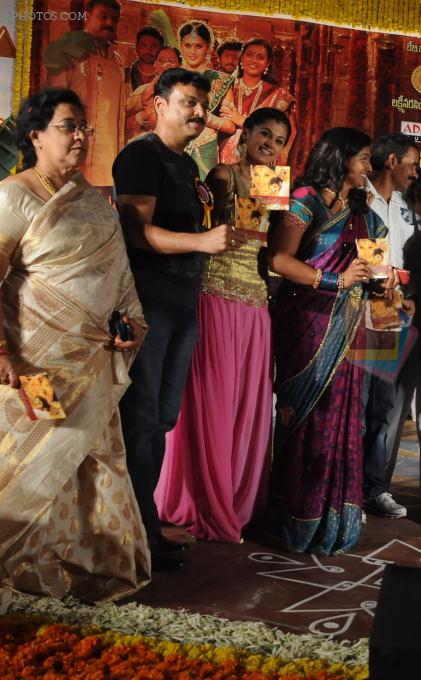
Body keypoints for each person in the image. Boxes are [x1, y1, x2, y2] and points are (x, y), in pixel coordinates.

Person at [0, 87, 149, 601]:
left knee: (93, 464)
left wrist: (125, 324)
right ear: (36, 136)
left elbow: (116, 279)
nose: (80, 136)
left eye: (83, 127)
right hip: (32, 368)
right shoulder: (9, 198)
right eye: (69, 126)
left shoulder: (92, 201)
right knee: (33, 467)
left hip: (90, 363)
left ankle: (90, 570)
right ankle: (22, 576)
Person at [114, 68, 246, 571]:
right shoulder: (141, 156)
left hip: (183, 303)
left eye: (202, 106)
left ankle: (142, 525)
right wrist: (200, 242)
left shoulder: (188, 164)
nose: (198, 113)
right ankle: (132, 533)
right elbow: (134, 232)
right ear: (159, 104)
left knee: (162, 420)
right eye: (188, 102)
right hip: (147, 303)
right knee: (142, 420)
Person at [155, 107, 291, 542]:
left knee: (243, 406)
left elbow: (270, 249)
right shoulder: (223, 174)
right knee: (213, 400)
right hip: (215, 295)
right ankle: (200, 497)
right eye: (264, 134)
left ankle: (236, 497)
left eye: (279, 139)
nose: (270, 144)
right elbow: (212, 230)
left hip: (255, 304)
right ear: (246, 134)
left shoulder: (277, 183)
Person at [267, 127, 393, 554]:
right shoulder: (304, 200)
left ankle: (330, 519)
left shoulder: (367, 215)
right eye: (363, 158)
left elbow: (372, 272)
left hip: (349, 325)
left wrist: (383, 288)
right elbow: (279, 260)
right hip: (306, 322)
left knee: (343, 418)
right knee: (302, 414)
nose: (369, 167)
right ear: (339, 159)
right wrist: (335, 279)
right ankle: (290, 513)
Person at [360, 132, 419, 519]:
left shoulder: (404, 207)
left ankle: (374, 489)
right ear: (393, 162)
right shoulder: (356, 197)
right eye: (412, 164)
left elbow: (407, 261)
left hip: (390, 318)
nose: (416, 172)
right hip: (356, 314)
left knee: (381, 408)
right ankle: (344, 488)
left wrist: (408, 291)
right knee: (354, 406)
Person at [43, 0, 126, 186]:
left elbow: (120, 113)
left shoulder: (117, 61)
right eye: (103, 17)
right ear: (88, 16)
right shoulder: (67, 51)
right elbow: (54, 109)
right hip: (74, 165)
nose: (109, 23)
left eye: (114, 19)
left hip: (109, 169)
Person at [219, 38, 296, 165]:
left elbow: (281, 135)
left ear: (267, 63)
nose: (254, 60)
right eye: (249, 55)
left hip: (260, 162)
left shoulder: (278, 96)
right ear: (241, 58)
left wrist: (242, 121)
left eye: (260, 57)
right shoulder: (226, 87)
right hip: (222, 159)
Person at [176, 20, 236, 177]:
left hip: (204, 149)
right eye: (188, 45)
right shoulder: (170, 77)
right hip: (173, 146)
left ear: (208, 47)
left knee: (203, 199)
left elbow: (230, 126)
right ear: (180, 45)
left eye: (198, 46)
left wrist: (206, 118)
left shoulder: (220, 79)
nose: (192, 51)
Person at [124, 45, 181, 142]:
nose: (165, 65)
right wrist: (144, 114)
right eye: (161, 61)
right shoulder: (142, 91)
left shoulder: (187, 93)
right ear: (154, 64)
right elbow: (125, 129)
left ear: (180, 65)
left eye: (171, 61)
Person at [127, 26, 165, 91]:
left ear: (161, 49)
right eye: (144, 45)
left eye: (154, 46)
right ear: (136, 47)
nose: (148, 50)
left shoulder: (166, 77)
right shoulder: (125, 74)